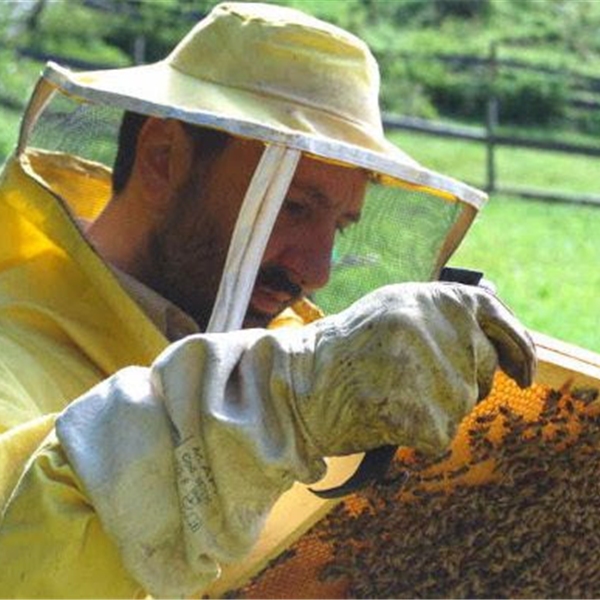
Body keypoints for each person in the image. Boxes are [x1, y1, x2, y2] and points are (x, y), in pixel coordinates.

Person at [0, 2, 536, 597]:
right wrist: (275, 406)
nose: (316, 271)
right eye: (292, 206)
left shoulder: (308, 382)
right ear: (164, 158)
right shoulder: (11, 348)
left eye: (339, 227)